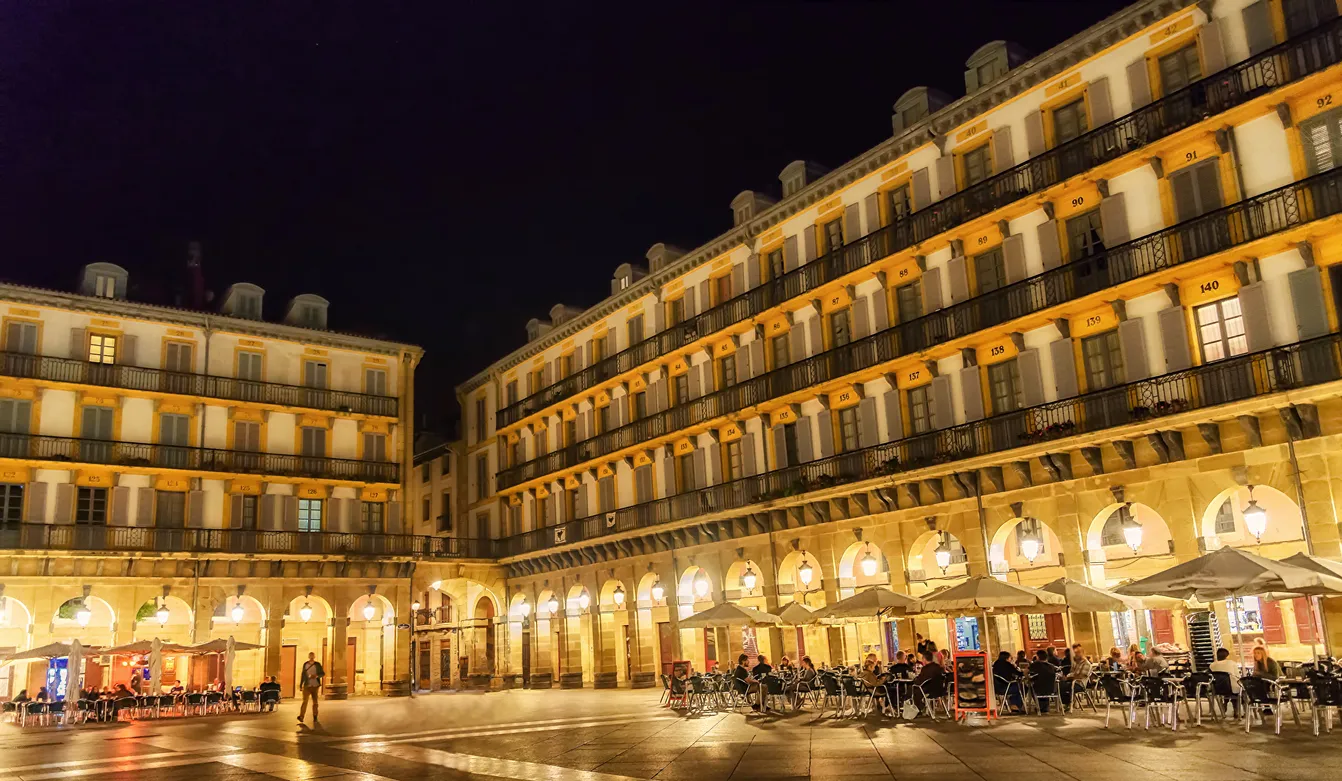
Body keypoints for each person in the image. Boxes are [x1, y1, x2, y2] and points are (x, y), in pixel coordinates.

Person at [1061, 645, 1091, 710]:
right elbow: (1072, 673)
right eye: (1075, 653)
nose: (1075, 655)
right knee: (1060, 685)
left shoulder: (1086, 664)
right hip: (1073, 682)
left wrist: (1068, 678)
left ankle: (1068, 703)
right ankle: (1067, 703)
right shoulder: (1076, 663)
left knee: (1063, 687)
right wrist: (1067, 677)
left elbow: (1081, 676)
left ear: (1082, 653)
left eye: (1077, 653)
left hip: (1080, 684)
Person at [298, 651, 324, 724]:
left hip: (315, 685)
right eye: (310, 656)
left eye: (313, 656)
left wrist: (317, 676)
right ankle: (301, 716)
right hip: (307, 685)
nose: (311, 657)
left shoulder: (317, 664)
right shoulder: (305, 664)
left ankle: (315, 716)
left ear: (314, 657)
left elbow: (322, 673)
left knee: (315, 702)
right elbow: (303, 674)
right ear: (309, 657)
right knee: (304, 701)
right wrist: (301, 684)